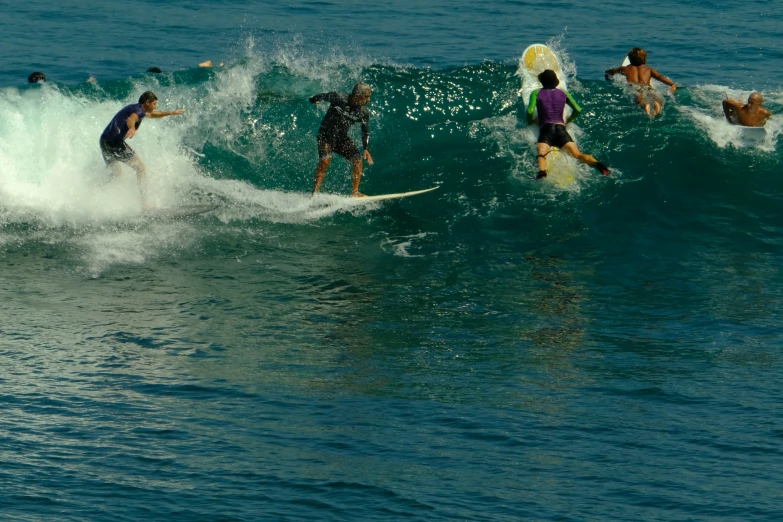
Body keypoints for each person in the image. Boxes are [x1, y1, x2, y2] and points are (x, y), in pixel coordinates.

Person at [99, 91, 185, 209]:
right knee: (141, 168)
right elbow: (131, 119)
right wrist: (132, 128)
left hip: (104, 141)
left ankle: (96, 191)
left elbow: (153, 115)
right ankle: (145, 203)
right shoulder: (138, 111)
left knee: (115, 173)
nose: (155, 106)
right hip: (115, 143)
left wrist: (170, 113)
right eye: (154, 104)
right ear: (147, 102)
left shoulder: (137, 109)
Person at [527, 70, 609, 180]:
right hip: (561, 129)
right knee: (577, 155)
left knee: (541, 154)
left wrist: (530, 122)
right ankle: (598, 164)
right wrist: (570, 120)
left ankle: (542, 172)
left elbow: (529, 111)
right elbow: (578, 109)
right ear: (555, 82)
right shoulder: (563, 93)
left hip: (546, 129)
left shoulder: (536, 93)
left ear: (542, 82)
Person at [309, 82, 373, 196]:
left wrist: (366, 148)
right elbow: (323, 95)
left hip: (341, 139)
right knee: (325, 161)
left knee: (357, 160)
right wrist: (313, 99)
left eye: (369, 96)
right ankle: (315, 193)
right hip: (325, 136)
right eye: (366, 96)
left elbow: (365, 130)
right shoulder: (339, 98)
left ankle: (355, 192)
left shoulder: (363, 112)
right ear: (357, 95)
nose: (368, 100)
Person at [604, 48, 676, 117]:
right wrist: (672, 84)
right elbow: (660, 77)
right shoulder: (648, 69)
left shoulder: (625, 69)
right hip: (647, 87)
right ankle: (656, 104)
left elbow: (611, 71)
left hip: (635, 87)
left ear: (630, 58)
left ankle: (645, 106)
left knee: (639, 98)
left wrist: (607, 74)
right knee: (654, 97)